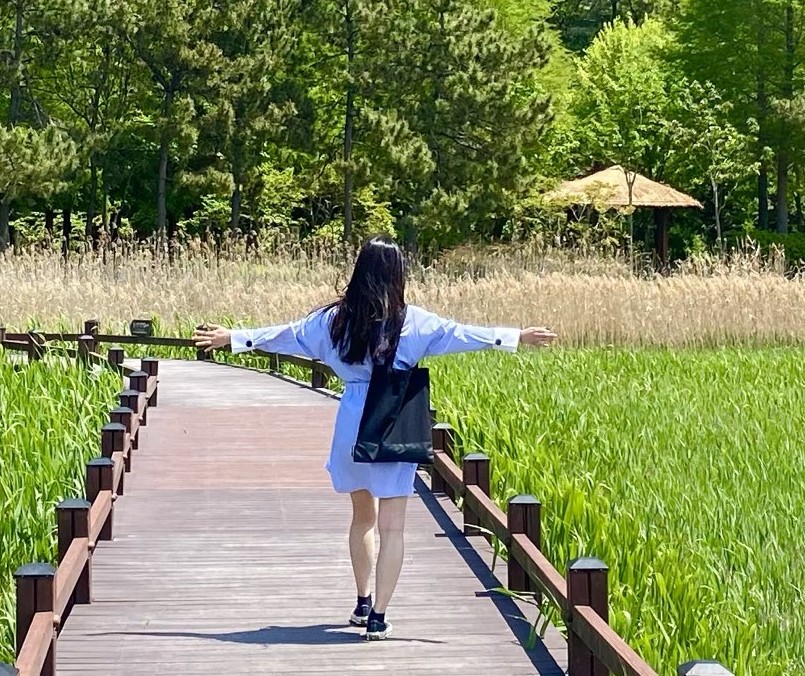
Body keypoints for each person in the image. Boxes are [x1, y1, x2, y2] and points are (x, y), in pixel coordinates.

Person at [193, 239, 554, 636]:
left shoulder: (333, 321)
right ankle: (379, 615)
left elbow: (287, 334)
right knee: (393, 527)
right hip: (392, 420)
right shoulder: (414, 321)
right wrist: (517, 336)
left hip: (352, 420)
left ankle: (362, 600)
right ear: (398, 274)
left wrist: (235, 338)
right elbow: (463, 334)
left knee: (362, 517)